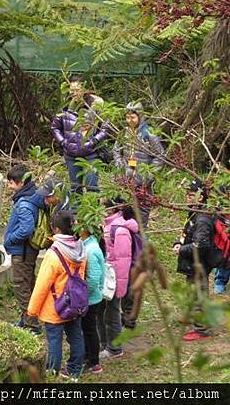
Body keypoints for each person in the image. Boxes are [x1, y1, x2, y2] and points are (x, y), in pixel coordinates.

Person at [27, 211, 86, 381]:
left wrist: (32, 310)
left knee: (54, 341)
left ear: (57, 230)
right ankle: (74, 370)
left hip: (56, 306)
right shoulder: (80, 247)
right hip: (75, 302)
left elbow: (42, 285)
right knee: (76, 336)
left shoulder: (54, 254)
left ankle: (52, 373)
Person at [3, 167, 61, 333]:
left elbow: (26, 230)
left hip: (21, 252)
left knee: (22, 286)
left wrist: (9, 239)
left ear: (21, 183)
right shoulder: (34, 195)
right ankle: (27, 318)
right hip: (30, 251)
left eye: (11, 182)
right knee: (29, 283)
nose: (9, 185)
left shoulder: (24, 204)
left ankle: (31, 324)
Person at [174, 180, 218, 341]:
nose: (187, 198)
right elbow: (185, 234)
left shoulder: (203, 219)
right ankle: (193, 317)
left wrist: (182, 250)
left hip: (199, 264)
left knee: (199, 295)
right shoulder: (193, 213)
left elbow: (201, 245)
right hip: (191, 263)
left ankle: (202, 329)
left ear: (200, 198)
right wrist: (178, 243)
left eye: (191, 195)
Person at [51, 76, 109, 194]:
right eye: (71, 90)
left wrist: (93, 141)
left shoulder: (96, 106)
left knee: (92, 188)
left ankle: (92, 211)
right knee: (75, 188)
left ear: (85, 90)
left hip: (91, 154)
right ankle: (75, 212)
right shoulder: (65, 106)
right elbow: (55, 127)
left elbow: (106, 128)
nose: (74, 93)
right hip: (71, 154)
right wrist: (63, 142)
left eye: (77, 90)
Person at [113, 102, 164, 227]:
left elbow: (160, 156)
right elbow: (116, 150)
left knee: (142, 208)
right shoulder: (124, 133)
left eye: (133, 117)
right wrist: (120, 164)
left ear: (140, 116)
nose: (130, 120)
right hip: (126, 176)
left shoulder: (149, 134)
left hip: (143, 179)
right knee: (124, 205)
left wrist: (149, 175)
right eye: (127, 117)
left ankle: (141, 235)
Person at [100, 204, 137, 360]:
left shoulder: (120, 230)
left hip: (114, 280)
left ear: (113, 208)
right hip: (107, 277)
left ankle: (115, 348)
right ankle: (105, 343)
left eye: (104, 205)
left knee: (112, 313)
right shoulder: (108, 225)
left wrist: (118, 288)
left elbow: (123, 262)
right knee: (104, 312)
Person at [79, 227, 105, 374]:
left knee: (89, 330)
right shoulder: (88, 245)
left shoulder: (91, 249)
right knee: (87, 329)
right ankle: (88, 357)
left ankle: (94, 362)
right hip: (90, 298)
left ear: (86, 230)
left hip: (91, 299)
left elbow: (94, 279)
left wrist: (83, 294)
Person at [213, 185, 230, 294]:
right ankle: (220, 282)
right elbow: (218, 224)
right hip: (224, 242)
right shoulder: (220, 209)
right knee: (224, 263)